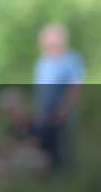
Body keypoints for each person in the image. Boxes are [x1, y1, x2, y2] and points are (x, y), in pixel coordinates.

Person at [32, 22, 85, 171]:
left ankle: (67, 181)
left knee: (64, 148)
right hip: (44, 114)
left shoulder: (71, 59)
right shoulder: (42, 61)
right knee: (45, 151)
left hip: (62, 113)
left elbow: (75, 88)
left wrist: (63, 110)